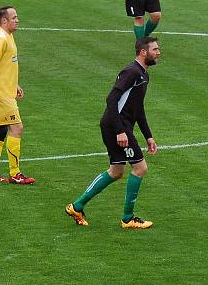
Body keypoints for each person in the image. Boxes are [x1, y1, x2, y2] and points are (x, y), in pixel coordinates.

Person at [65, 36, 160, 229]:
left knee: (116, 171)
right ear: (143, 52)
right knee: (140, 168)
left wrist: (148, 135)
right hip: (117, 127)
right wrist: (120, 131)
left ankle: (77, 206)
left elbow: (138, 108)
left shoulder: (143, 74)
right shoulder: (131, 72)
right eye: (155, 49)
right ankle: (128, 218)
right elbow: (111, 99)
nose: (158, 52)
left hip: (117, 126)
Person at [0, 6, 35, 185]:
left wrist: (15, 84)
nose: (17, 20)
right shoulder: (0, 38)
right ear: (4, 21)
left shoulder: (8, 36)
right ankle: (15, 173)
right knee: (17, 128)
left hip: (2, 91)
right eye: (14, 17)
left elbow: (4, 66)